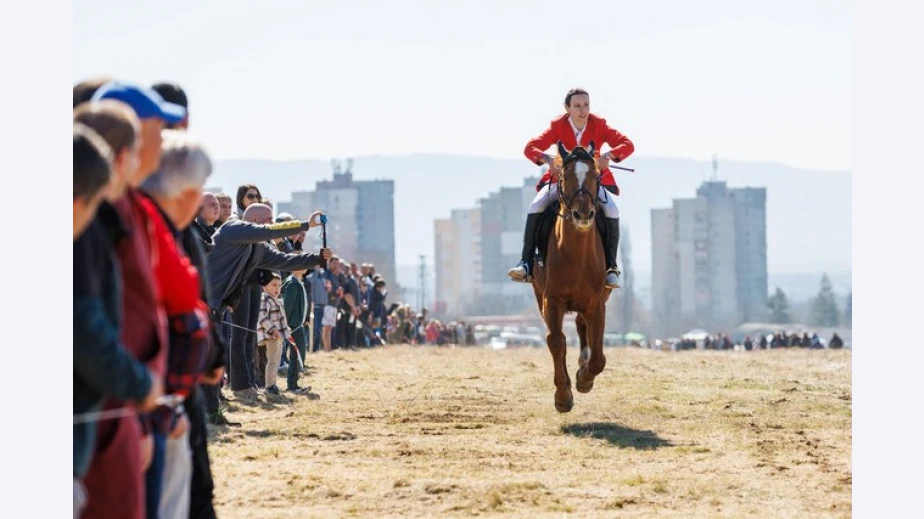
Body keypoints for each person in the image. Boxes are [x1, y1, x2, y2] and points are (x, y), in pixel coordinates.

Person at [509, 88, 635, 288]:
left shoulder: (599, 125)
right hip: (563, 181)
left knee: (612, 210)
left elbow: (627, 144)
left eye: (586, 105)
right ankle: (525, 263)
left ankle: (611, 267)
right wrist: (547, 159)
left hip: (591, 182)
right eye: (577, 106)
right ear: (567, 108)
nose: (583, 110)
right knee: (536, 206)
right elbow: (530, 148)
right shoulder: (557, 126)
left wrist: (608, 156)